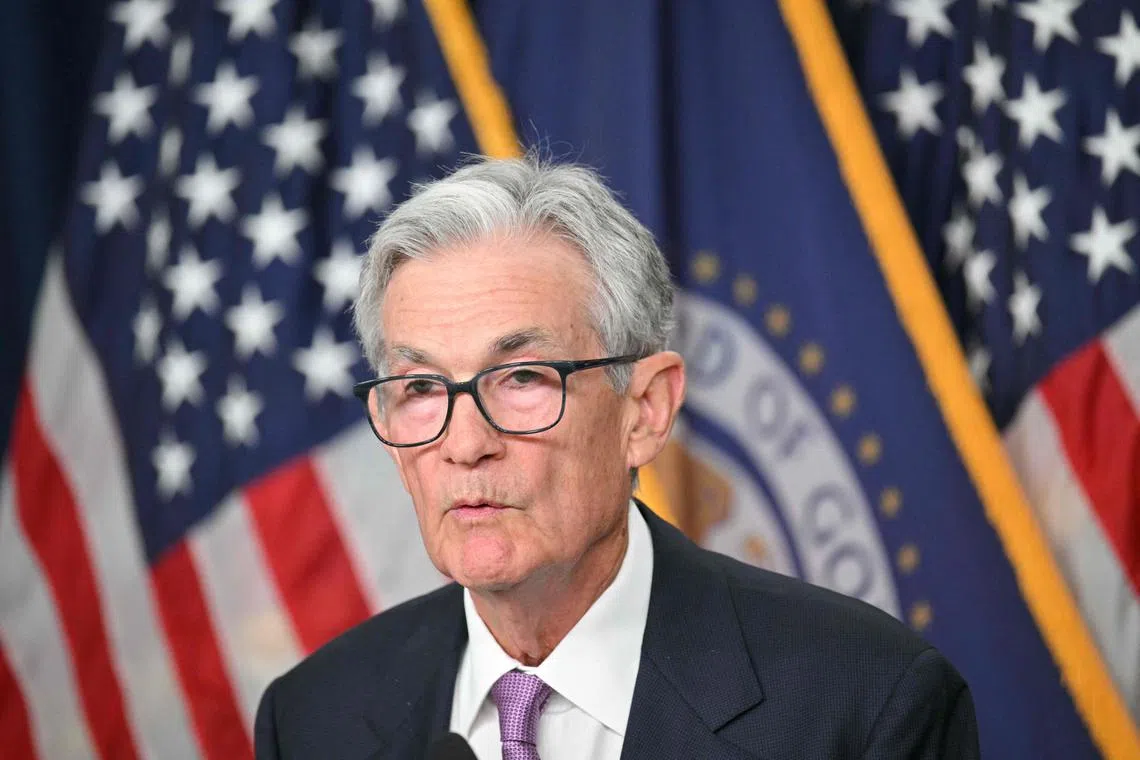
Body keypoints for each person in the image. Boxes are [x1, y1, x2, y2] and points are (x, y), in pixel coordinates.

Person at [254, 155, 979, 759]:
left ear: (645, 410)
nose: (464, 444)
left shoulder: (868, 705)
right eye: (419, 387)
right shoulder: (315, 720)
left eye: (522, 379)